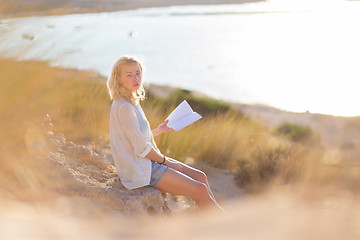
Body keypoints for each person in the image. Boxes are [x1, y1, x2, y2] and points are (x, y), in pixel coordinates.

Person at [107, 55, 224, 212]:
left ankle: (214, 220)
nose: (136, 78)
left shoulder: (131, 101)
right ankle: (227, 226)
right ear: (118, 79)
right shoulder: (124, 107)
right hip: (139, 169)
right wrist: (166, 162)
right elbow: (141, 148)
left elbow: (135, 138)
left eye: (138, 73)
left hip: (147, 161)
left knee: (200, 177)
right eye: (129, 75)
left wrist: (158, 130)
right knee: (200, 189)